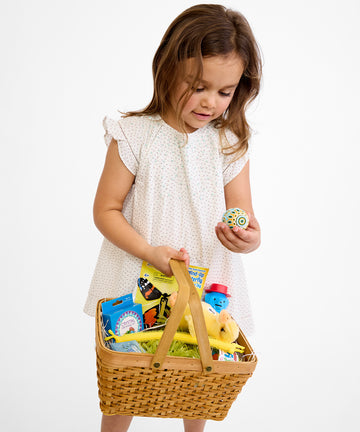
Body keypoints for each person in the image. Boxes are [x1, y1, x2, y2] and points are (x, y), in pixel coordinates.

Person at [84, 3, 262, 432]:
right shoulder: (135, 134)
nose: (211, 102)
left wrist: (248, 238)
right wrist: (150, 251)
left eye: (225, 92)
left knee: (201, 372)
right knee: (126, 376)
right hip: (139, 275)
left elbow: (245, 217)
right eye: (198, 86)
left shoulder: (228, 142)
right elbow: (105, 210)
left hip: (204, 277)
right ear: (167, 69)